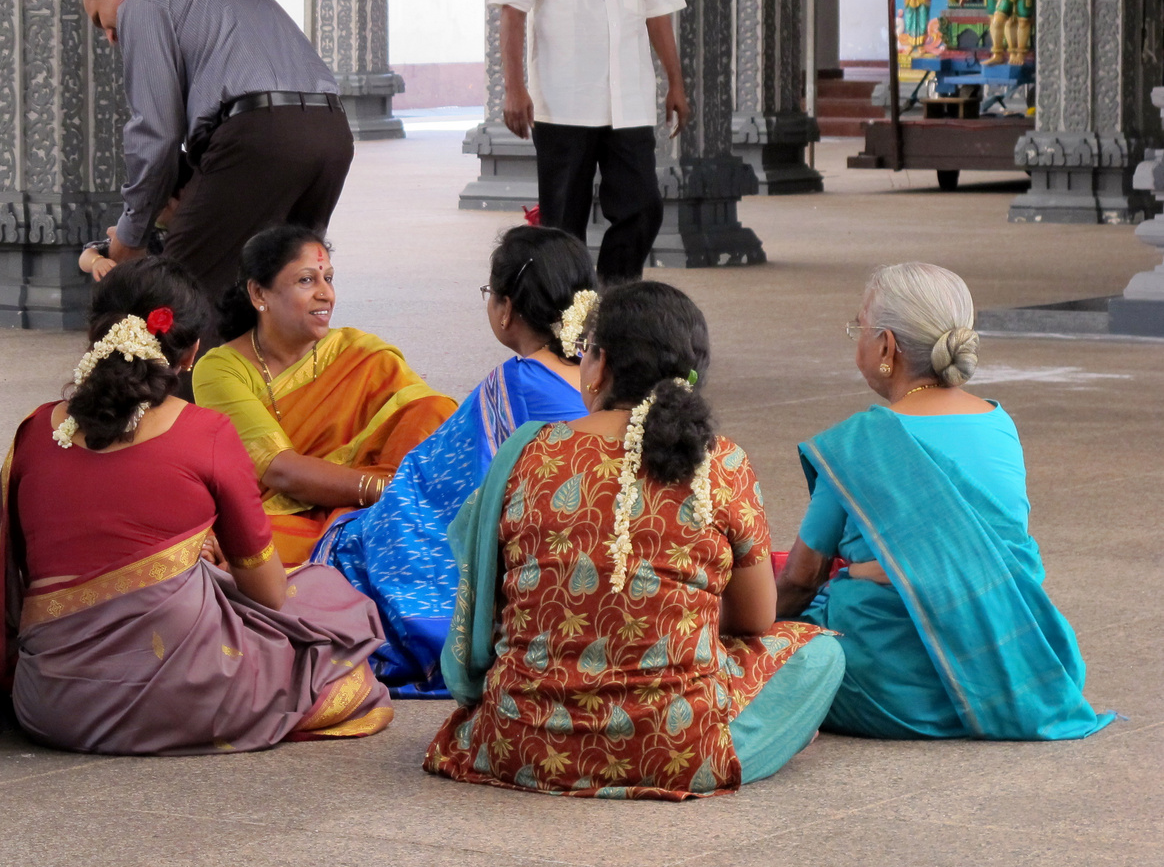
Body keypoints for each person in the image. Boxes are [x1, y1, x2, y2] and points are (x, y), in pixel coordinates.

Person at [425, 282, 844, 798]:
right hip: (677, 752)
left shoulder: (526, 453)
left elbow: (484, 609)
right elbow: (757, 619)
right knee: (820, 653)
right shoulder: (723, 464)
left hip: (517, 743)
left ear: (599, 364)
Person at [0, 257, 394, 753]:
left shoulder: (33, 433)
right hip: (190, 702)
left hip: (52, 707)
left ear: (95, 337)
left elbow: (14, 582)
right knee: (327, 597)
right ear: (192, 352)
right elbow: (270, 595)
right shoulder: (207, 433)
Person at [776, 263, 1113, 741]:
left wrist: (742, 629)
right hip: (1013, 667)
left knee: (777, 631)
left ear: (887, 347)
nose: (858, 341)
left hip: (889, 688)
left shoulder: (861, 445)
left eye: (860, 328)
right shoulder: (1000, 423)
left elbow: (800, 580)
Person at [312, 226, 597, 697]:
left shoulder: (515, 382)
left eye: (491, 293)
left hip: (538, 557)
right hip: (593, 544)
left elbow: (437, 486)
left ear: (506, 309)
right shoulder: (598, 371)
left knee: (356, 544)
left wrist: (379, 509)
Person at [80, 0, 355, 303]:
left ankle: (178, 362)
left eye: (101, 20)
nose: (110, 37)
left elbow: (156, 132)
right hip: (332, 133)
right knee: (280, 291)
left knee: (179, 295)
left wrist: (131, 235)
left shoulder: (143, 1)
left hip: (261, 136)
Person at [192, 225, 456, 566]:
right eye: (306, 280)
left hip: (370, 506)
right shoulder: (221, 368)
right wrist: (388, 492)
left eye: (328, 278)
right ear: (259, 294)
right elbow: (279, 471)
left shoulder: (359, 352)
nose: (326, 294)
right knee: (239, 550)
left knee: (433, 410)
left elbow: (427, 417)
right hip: (282, 517)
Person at [491, 0, 690, 282]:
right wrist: (514, 87)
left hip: (629, 104)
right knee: (563, 225)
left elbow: (658, 15)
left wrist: (675, 82)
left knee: (643, 208)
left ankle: (616, 300)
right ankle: (570, 320)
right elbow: (512, 13)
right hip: (564, 105)